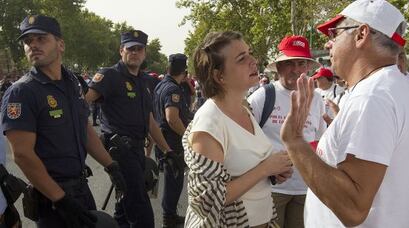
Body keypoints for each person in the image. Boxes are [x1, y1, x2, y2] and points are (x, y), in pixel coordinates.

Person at [280, 0, 409, 227]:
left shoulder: (373, 97)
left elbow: (353, 208)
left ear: (361, 34)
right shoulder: (397, 87)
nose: (329, 44)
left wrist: (294, 142)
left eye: (335, 33)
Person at [1, 15, 126, 228]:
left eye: (41, 38)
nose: (33, 45)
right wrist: (60, 199)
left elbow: (84, 128)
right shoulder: (22, 92)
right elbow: (22, 154)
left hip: (80, 188)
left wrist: (111, 165)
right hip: (52, 199)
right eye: (28, 41)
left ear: (61, 45)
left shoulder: (72, 83)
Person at [184, 31, 294, 227]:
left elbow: (244, 168)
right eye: (242, 58)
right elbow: (207, 201)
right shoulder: (210, 123)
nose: (254, 60)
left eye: (249, 53)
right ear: (219, 76)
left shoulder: (244, 108)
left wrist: (273, 173)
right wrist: (265, 168)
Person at [86, 29, 173, 228]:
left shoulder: (144, 81)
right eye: (130, 48)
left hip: (136, 150)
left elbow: (150, 121)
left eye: (139, 49)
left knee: (124, 209)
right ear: (121, 50)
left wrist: (167, 150)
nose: (134, 52)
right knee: (141, 211)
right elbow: (82, 104)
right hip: (118, 149)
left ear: (144, 53)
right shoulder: (109, 75)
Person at [248, 35, 326, 228]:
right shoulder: (262, 97)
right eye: (290, 63)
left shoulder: (316, 99)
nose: (296, 69)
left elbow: (319, 141)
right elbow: (246, 141)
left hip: (305, 189)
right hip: (270, 187)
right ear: (279, 67)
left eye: (301, 64)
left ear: (308, 67)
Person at [153, 53, 192, 227]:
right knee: (174, 182)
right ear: (184, 71)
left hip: (163, 139)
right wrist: (187, 135)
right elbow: (172, 118)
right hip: (173, 142)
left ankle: (169, 214)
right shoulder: (173, 89)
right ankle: (169, 217)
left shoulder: (161, 85)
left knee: (171, 180)